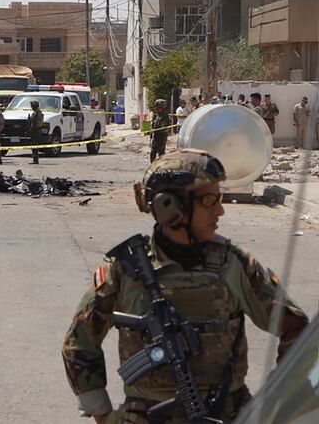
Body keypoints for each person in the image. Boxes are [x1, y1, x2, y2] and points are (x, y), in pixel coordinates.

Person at [62, 149, 309, 424]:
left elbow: (297, 328)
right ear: (169, 206)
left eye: (220, 199)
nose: (220, 210)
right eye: (208, 200)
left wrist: (275, 402)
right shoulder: (125, 268)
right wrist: (103, 414)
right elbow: (79, 342)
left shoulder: (234, 263)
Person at [27, 100, 44, 165]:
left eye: (32, 105)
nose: (31, 107)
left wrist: (29, 121)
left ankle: (35, 160)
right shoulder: (38, 112)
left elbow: (33, 121)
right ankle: (35, 160)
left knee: (34, 146)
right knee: (34, 146)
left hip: (35, 131)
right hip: (36, 130)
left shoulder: (36, 113)